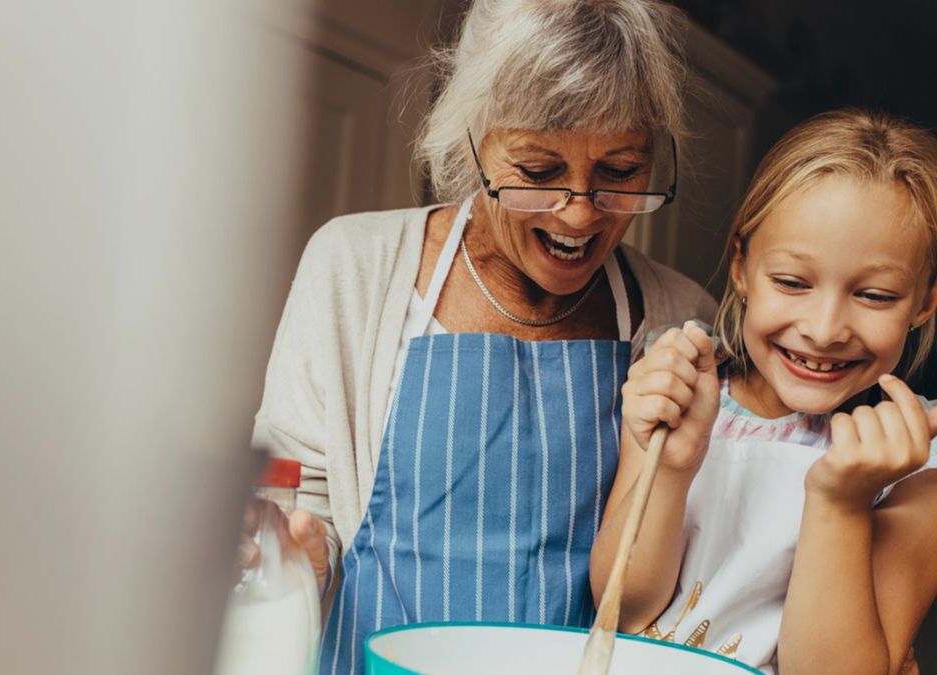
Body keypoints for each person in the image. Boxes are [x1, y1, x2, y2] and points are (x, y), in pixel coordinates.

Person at [250, 1, 717, 673]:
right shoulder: (355, 266)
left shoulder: (677, 316)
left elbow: (682, 586)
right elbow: (299, 506)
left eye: (618, 171)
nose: (579, 212)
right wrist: (296, 552)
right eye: (537, 171)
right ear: (472, 140)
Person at [589, 108, 937, 674]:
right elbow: (621, 608)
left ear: (924, 302)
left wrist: (840, 501)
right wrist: (673, 467)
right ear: (741, 266)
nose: (825, 329)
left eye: (875, 295)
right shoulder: (681, 389)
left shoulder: (921, 470)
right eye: (792, 283)